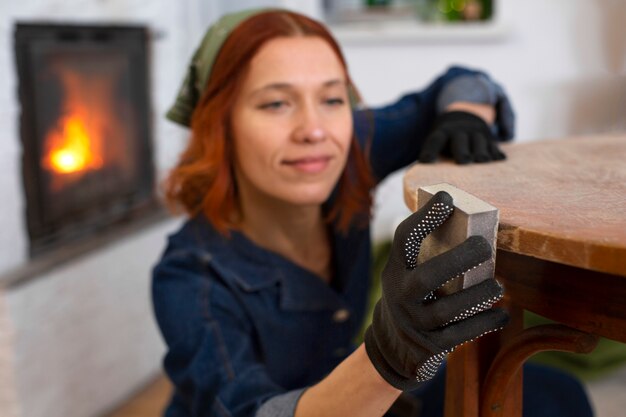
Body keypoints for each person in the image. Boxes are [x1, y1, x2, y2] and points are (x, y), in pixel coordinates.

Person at [152, 8, 593, 417]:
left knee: (559, 398)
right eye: (275, 103)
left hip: (365, 391)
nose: (315, 130)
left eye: (332, 99)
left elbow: (463, 81)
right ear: (218, 125)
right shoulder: (191, 279)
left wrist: (465, 115)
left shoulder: (344, 151)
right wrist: (387, 357)